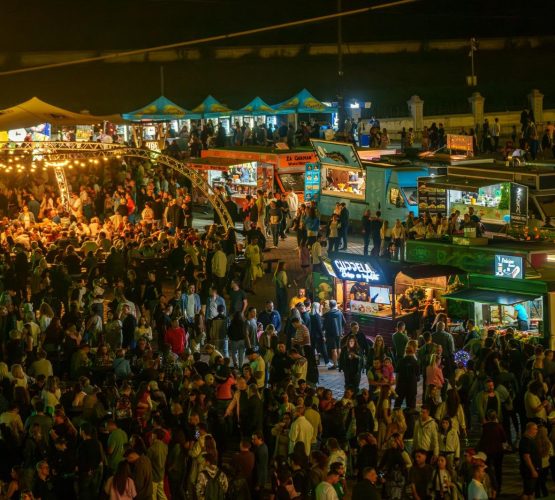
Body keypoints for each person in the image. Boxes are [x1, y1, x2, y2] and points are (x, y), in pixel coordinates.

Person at [519, 421, 541, 500]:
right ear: (529, 429)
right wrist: (533, 470)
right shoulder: (526, 441)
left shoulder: (529, 439)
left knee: (530, 491)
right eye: (535, 429)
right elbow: (526, 457)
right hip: (528, 470)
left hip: (530, 470)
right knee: (528, 492)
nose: (536, 431)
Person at [322, 300, 346, 370]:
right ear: (335, 305)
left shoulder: (327, 314)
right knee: (339, 348)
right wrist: (341, 329)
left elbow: (324, 325)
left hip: (330, 334)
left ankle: (335, 364)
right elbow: (344, 322)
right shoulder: (340, 313)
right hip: (339, 333)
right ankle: (340, 364)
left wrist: (323, 332)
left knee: (333, 349)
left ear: (329, 306)